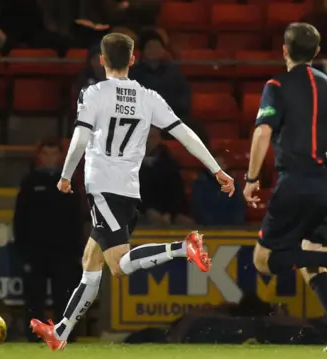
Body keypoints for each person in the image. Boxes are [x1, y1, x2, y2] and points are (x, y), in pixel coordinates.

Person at [29, 32, 235, 351]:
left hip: (103, 187)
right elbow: (185, 134)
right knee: (91, 261)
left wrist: (66, 175)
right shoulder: (148, 96)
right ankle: (60, 332)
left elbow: (80, 138)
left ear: (101, 60)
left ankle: (183, 248)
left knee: (119, 265)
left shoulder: (94, 93)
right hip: (128, 189)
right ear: (133, 60)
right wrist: (217, 169)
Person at [242, 23, 327, 352]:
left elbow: (262, 133)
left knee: (263, 261)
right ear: (316, 52)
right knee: (309, 259)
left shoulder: (276, 85)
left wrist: (252, 178)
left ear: (285, 50)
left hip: (296, 183)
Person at [13, 138, 84, 342]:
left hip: (64, 252)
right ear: (40, 156)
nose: (50, 158)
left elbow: (77, 219)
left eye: (54, 154)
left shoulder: (70, 182)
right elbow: (20, 218)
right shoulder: (30, 182)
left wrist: (77, 251)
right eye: (46, 154)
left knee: (66, 297)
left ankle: (65, 336)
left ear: (61, 156)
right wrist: (22, 250)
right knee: (34, 298)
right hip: (35, 251)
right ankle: (34, 337)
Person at [130, 30, 191, 121]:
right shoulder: (133, 74)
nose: (154, 50)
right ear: (143, 51)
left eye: (157, 47)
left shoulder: (174, 73)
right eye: (150, 47)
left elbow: (183, 100)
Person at [139, 127, 192, 226]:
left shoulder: (169, 161)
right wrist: (147, 209)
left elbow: (176, 191)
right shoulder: (133, 161)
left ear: (159, 138)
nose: (148, 141)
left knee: (186, 223)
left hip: (168, 211)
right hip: (143, 210)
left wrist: (169, 213)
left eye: (152, 137)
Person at [192, 152, 246, 226]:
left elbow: (238, 208)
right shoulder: (200, 183)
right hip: (206, 227)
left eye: (219, 165)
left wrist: (233, 226)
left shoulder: (234, 184)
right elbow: (199, 207)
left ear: (225, 166)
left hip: (231, 228)